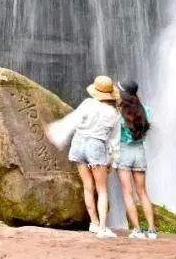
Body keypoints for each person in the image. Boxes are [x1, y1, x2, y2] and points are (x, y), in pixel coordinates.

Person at [45, 75, 121, 238]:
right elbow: (114, 141)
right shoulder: (114, 114)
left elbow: (72, 121)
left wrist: (57, 132)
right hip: (96, 146)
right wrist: (112, 163)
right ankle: (102, 228)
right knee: (101, 190)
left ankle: (93, 223)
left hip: (79, 144)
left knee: (88, 186)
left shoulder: (88, 104)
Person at [115, 79, 157, 240]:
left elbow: (114, 135)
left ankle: (137, 230)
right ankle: (152, 230)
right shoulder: (146, 110)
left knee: (128, 193)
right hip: (140, 152)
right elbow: (149, 128)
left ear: (123, 93)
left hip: (124, 152)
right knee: (143, 193)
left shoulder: (119, 113)